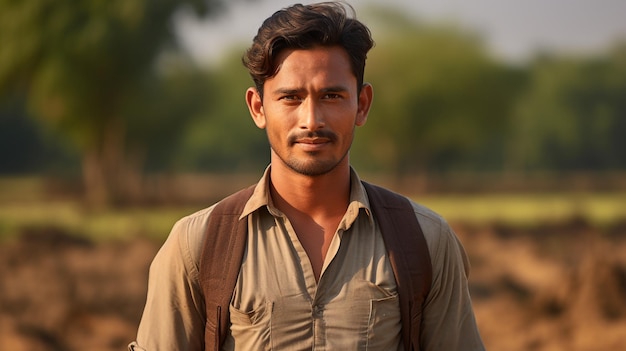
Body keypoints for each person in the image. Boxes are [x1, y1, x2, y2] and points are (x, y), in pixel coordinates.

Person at [129, 2, 485, 350]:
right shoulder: (198, 246)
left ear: (361, 105)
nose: (311, 120)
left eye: (331, 95)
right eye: (291, 97)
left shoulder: (425, 241)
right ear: (258, 107)